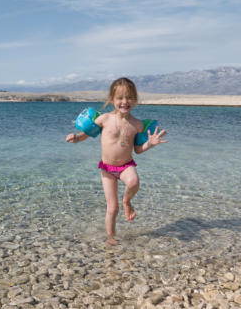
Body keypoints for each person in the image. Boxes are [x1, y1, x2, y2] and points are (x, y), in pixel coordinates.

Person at [66, 77, 167, 245]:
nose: (125, 102)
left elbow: (137, 150)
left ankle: (127, 201)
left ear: (135, 100)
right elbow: (87, 134)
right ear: (112, 99)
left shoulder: (137, 125)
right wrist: (76, 138)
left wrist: (149, 143)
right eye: (120, 98)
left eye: (129, 98)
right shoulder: (104, 119)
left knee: (134, 181)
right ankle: (110, 236)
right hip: (107, 169)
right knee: (112, 208)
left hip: (126, 165)